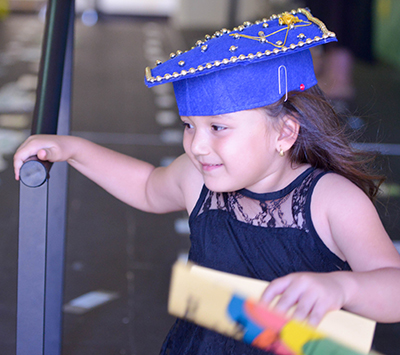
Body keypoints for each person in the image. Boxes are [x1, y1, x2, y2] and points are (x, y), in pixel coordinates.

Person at [14, 8, 400, 355]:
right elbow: (148, 186)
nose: (198, 145)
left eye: (218, 127)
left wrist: (342, 289)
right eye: (189, 127)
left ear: (284, 134)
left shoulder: (333, 201)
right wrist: (74, 149)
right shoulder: (198, 178)